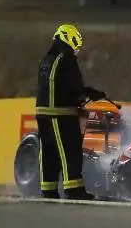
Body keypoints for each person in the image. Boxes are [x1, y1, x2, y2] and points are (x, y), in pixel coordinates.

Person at [35, 24, 107, 200]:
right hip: (61, 113)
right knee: (70, 150)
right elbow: (73, 85)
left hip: (42, 113)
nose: (77, 49)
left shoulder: (46, 59)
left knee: (49, 152)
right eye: (76, 43)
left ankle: (49, 189)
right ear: (69, 38)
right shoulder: (66, 57)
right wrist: (89, 93)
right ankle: (74, 189)